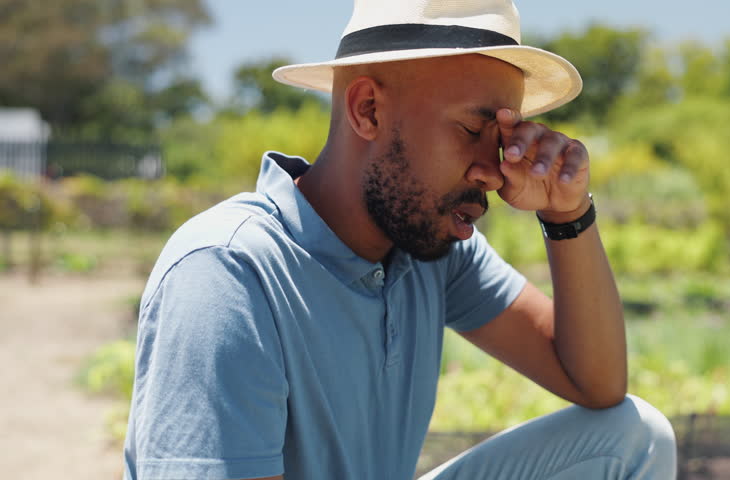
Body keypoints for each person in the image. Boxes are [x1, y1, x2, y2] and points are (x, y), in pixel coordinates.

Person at [122, 0, 677, 478]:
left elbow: (597, 383)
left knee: (635, 439)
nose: (495, 170)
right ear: (367, 110)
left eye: (506, 139)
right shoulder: (229, 272)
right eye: (470, 130)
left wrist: (568, 214)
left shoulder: (426, 250)